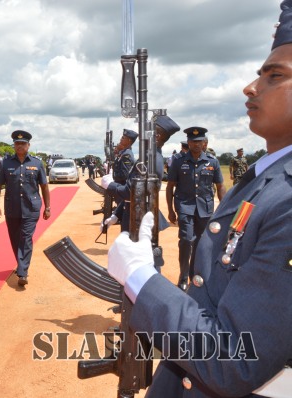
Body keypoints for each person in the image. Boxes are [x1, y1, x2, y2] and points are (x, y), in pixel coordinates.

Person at [107, 2, 292, 395]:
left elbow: (234, 359)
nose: (252, 87)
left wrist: (141, 279)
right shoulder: (268, 176)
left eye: (275, 75)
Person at [166, 127, 225, 290]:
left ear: (205, 143)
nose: (196, 145)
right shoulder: (179, 161)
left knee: (201, 244)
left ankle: (195, 276)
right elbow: (170, 186)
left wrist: (224, 208)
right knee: (186, 240)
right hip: (185, 206)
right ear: (188, 143)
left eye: (199, 142)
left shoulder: (212, 162)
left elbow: (220, 186)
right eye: (193, 141)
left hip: (205, 209)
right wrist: (171, 210)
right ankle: (183, 277)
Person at [101, 115, 180, 235]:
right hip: (135, 214)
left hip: (139, 219)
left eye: (148, 130)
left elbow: (132, 192)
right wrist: (117, 214)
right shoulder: (149, 156)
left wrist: (110, 185)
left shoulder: (149, 159)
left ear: (156, 136)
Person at [0, 130, 51, 286]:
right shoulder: (5, 163)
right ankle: (21, 263)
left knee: (25, 238)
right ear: (14, 145)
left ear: (28, 145)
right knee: (15, 239)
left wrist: (47, 207)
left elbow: (44, 186)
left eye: (23, 144)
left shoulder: (37, 163)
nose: (19, 146)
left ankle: (23, 272)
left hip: (31, 207)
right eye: (17, 144)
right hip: (12, 207)